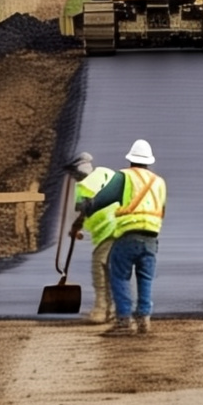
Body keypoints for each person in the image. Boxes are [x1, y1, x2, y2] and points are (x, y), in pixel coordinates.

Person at [74, 139, 166, 336]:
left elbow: (103, 198)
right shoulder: (159, 182)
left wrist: (86, 206)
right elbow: (161, 209)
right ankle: (144, 319)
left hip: (128, 236)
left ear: (130, 160)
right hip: (151, 239)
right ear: (148, 161)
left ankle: (124, 321)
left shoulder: (124, 177)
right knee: (145, 278)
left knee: (120, 276)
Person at [65, 151, 118, 324]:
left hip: (106, 230)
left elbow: (83, 212)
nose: (73, 178)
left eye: (74, 174)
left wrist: (75, 227)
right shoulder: (106, 174)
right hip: (123, 225)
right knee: (116, 271)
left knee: (100, 270)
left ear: (78, 171)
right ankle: (115, 308)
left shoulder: (83, 186)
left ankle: (102, 310)